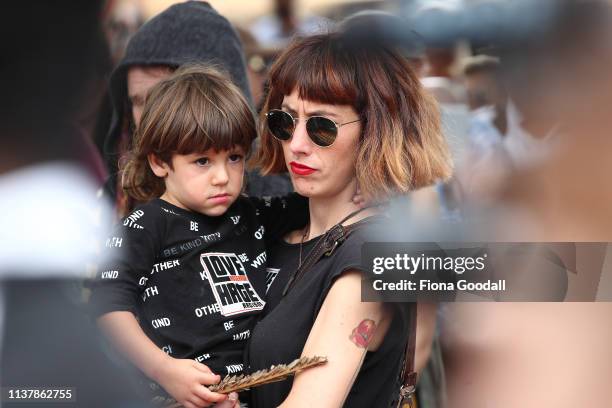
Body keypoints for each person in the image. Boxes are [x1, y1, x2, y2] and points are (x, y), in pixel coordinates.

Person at [246, 31, 452, 407]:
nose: (296, 144)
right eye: (284, 121)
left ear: (375, 132)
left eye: (321, 126)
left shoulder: (369, 257)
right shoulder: (275, 227)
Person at [90, 65, 311, 408]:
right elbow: (108, 306)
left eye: (234, 157)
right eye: (202, 161)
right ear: (160, 162)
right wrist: (165, 370)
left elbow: (316, 203)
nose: (222, 177)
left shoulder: (252, 213)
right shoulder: (144, 225)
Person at [99, 1, 290, 217]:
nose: (147, 117)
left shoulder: (276, 207)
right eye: (138, 101)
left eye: (163, 99)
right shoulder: (115, 198)